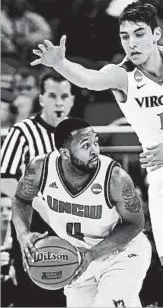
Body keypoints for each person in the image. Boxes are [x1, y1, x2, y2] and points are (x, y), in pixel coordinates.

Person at [31, 1, 163, 307]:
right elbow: (88, 78)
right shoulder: (121, 74)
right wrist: (60, 64)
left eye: (139, 34)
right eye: (125, 36)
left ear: (156, 34)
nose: (132, 43)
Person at [11, 117, 152, 308]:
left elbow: (135, 223)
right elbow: (21, 199)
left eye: (96, 142)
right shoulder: (40, 168)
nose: (95, 150)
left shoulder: (115, 178)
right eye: (86, 145)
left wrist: (93, 254)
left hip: (121, 252)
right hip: (77, 258)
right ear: (65, 153)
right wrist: (23, 234)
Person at [1, 72, 74, 307]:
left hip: (73, 225)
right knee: (34, 298)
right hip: (34, 226)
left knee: (71, 296)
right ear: (41, 99)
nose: (59, 102)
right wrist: (40, 203)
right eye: (52, 96)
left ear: (72, 99)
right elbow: (4, 178)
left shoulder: (79, 134)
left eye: (64, 96)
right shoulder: (21, 132)